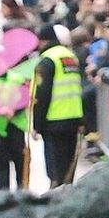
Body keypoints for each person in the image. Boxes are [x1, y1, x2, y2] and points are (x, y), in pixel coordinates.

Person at [31, 25, 85, 188]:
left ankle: (56, 195)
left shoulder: (47, 61)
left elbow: (42, 94)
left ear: (42, 41)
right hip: (74, 117)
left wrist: (36, 124)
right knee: (69, 166)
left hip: (53, 120)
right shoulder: (71, 57)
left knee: (55, 170)